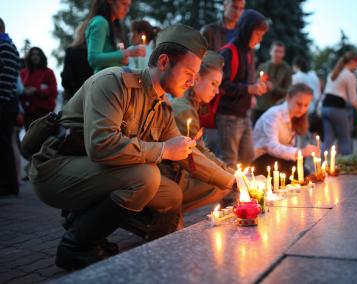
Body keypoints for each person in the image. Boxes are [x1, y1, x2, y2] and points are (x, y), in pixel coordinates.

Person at [28, 24, 234, 270]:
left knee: (171, 194)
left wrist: (233, 182)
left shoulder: (161, 108)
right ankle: (75, 245)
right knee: (145, 176)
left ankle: (108, 231)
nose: (193, 81)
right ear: (164, 62)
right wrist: (164, 150)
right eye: (189, 72)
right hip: (56, 169)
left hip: (95, 172)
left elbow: (189, 155)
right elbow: (101, 146)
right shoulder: (113, 83)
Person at [164, 51, 235, 213]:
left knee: (225, 180)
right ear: (196, 79)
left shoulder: (191, 106)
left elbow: (201, 152)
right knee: (222, 186)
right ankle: (172, 217)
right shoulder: (184, 110)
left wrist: (231, 172)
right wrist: (234, 177)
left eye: (218, 86)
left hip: (178, 175)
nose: (216, 92)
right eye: (213, 84)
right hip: (171, 179)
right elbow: (197, 157)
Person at [216, 9, 269, 169]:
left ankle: (243, 193)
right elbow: (222, 85)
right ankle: (228, 194)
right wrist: (250, 89)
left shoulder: (249, 52)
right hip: (228, 116)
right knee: (229, 161)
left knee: (248, 158)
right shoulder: (229, 51)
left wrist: (255, 90)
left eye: (262, 35)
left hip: (243, 114)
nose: (260, 39)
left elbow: (245, 82)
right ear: (247, 29)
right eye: (258, 34)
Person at [199, 0, 246, 155]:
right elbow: (199, 60)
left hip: (232, 100)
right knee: (208, 146)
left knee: (230, 151)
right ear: (225, 4)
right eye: (234, 7)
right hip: (210, 96)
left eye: (241, 9)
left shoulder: (242, 34)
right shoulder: (210, 31)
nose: (237, 12)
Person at [253, 83, 320, 177]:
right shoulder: (273, 115)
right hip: (262, 161)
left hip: (278, 160)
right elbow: (272, 147)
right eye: (299, 104)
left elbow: (289, 147)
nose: (302, 109)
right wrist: (300, 151)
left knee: (300, 164)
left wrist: (304, 152)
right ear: (288, 98)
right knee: (302, 171)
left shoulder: (296, 118)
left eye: (306, 105)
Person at [321, 50, 357, 155]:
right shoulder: (349, 76)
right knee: (345, 139)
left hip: (325, 107)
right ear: (353, 61)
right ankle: (348, 166)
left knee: (328, 140)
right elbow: (353, 100)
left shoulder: (332, 73)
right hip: (337, 108)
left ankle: (320, 166)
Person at [84, 0, 145, 73]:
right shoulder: (100, 23)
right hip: (103, 80)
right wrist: (127, 53)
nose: (127, 9)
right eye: (124, 3)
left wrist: (125, 58)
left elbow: (120, 52)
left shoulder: (116, 26)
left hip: (114, 78)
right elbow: (93, 59)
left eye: (128, 5)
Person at [0, 17, 20, 196]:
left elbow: (5, 80)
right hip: (8, 101)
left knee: (4, 144)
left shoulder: (5, 47)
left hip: (4, 102)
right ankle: (9, 185)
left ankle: (7, 186)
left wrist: (2, 99)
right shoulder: (10, 47)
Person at [253, 41, 292, 123]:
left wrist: (274, 88)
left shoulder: (287, 69)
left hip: (276, 109)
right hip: (259, 107)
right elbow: (253, 83)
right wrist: (258, 82)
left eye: (280, 52)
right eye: (275, 51)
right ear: (271, 52)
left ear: (283, 54)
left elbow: (289, 92)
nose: (277, 54)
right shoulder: (262, 66)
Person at [20, 47, 58, 130]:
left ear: (41, 56)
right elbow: (18, 89)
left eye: (37, 54)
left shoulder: (49, 73)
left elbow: (53, 91)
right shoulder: (23, 73)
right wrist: (24, 91)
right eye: (33, 54)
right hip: (27, 112)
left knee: (41, 139)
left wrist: (36, 91)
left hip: (44, 112)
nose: (35, 56)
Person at [61, 22, 93, 103]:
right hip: (93, 95)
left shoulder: (71, 50)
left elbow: (66, 77)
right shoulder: (97, 53)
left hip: (74, 97)